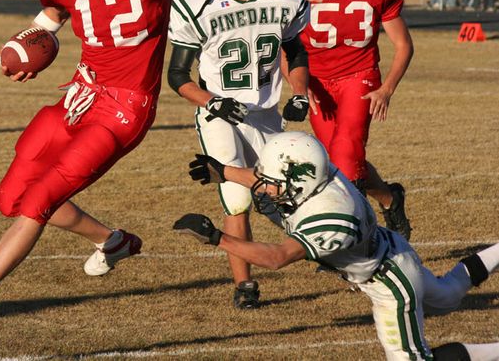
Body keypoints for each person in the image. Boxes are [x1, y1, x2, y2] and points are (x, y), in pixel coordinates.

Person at [0, 0, 352, 343]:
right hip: (81, 92)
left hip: (125, 108)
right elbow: (55, 11)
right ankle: (114, 241)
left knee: (39, 200)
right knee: (12, 197)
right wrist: (32, 40)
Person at [176, 131, 499, 361]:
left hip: (388, 280)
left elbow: (276, 258)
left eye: (272, 184)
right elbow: (278, 180)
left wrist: (218, 237)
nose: (264, 188)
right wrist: (226, 172)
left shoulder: (332, 217)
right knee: (450, 293)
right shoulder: (320, 177)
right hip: (393, 252)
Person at [168, 0, 310, 309]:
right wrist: (211, 101)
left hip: (264, 112)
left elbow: (295, 52)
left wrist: (300, 93)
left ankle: (321, 248)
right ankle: (244, 284)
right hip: (220, 114)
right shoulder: (194, 0)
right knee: (235, 197)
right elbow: (177, 76)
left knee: (288, 188)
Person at [279, 0, 414, 240]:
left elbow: (403, 45)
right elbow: (285, 44)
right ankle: (389, 198)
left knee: (345, 155)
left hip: (360, 76)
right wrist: (300, 85)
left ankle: (356, 242)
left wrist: (386, 89)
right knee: (339, 163)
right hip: (317, 81)